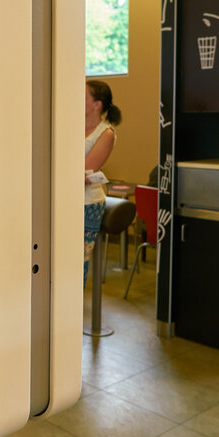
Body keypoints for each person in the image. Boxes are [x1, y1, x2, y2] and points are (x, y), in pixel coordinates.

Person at [84, 80, 121, 286]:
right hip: (63, 198)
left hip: (87, 203)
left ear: (96, 104)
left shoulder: (105, 133)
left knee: (76, 261)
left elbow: (84, 172)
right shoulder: (71, 125)